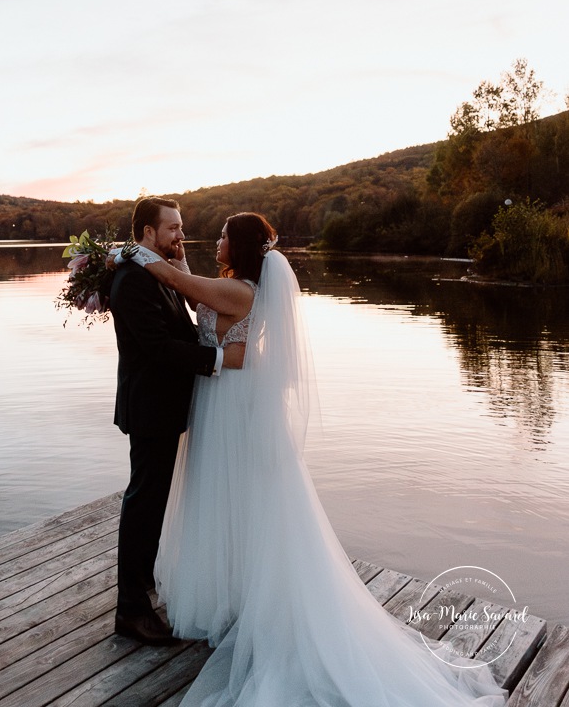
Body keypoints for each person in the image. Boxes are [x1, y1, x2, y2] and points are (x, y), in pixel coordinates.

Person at [133, 212, 507, 707]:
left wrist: (132, 255)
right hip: (224, 401)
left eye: (223, 235)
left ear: (240, 246)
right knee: (230, 500)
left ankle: (265, 606)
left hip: (232, 407)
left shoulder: (241, 292)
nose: (216, 240)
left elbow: (183, 284)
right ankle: (238, 597)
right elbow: (195, 293)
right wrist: (180, 264)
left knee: (249, 502)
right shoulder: (233, 287)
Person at [108, 196, 245, 647]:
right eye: (173, 229)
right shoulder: (131, 280)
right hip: (148, 407)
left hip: (163, 407)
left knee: (151, 501)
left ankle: (142, 587)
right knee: (143, 502)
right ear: (148, 232)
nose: (180, 235)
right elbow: (157, 348)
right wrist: (220, 359)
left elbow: (181, 330)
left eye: (181, 227)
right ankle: (130, 610)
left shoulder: (156, 274)